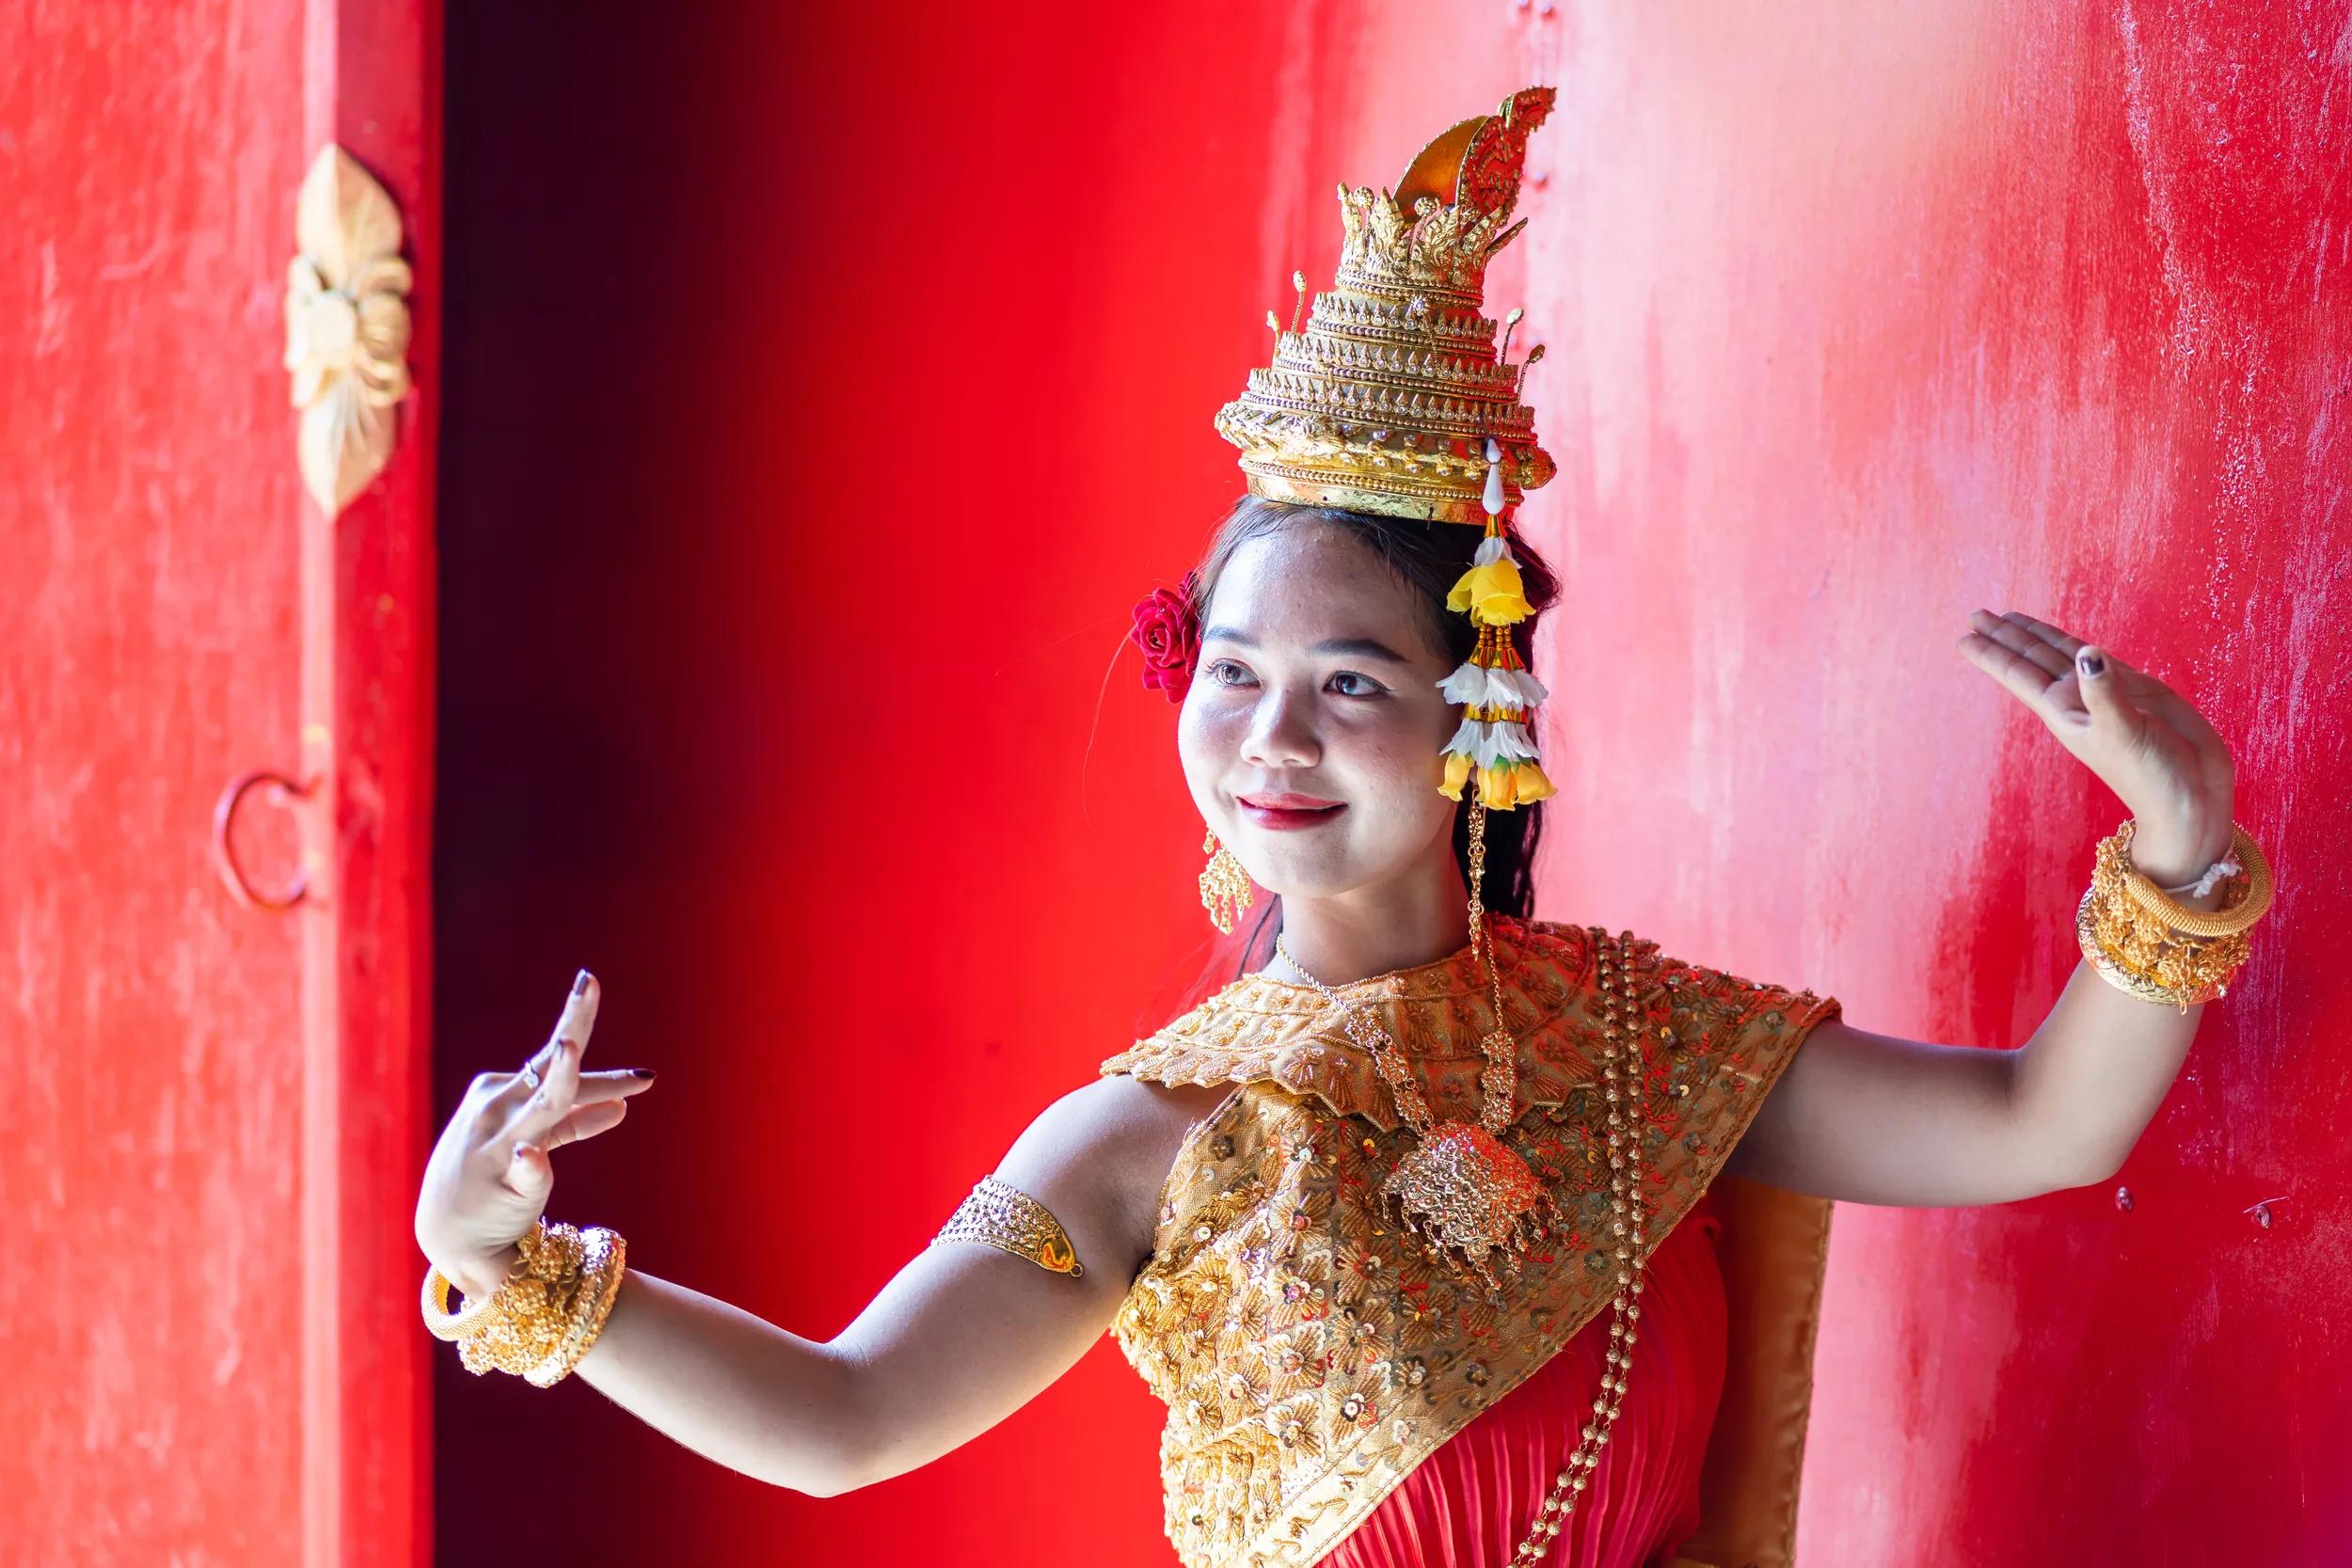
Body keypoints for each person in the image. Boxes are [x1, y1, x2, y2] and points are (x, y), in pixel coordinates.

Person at [412, 86, 2274, 1568]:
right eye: (1231, 675)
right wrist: (511, 1270)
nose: (1272, 737)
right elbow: (842, 1423)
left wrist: (2181, 847)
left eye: (1352, 681)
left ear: (1477, 715)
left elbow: (2045, 1126)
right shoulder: (1146, 1139)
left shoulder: (1649, 1050)